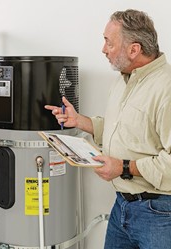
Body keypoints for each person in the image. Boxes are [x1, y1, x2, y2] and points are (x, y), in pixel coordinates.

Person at [45, 9, 171, 249]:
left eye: (109, 43)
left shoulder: (166, 88)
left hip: (158, 215)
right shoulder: (124, 79)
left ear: (134, 50)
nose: (103, 50)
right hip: (121, 208)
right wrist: (80, 121)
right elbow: (121, 129)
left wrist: (123, 167)